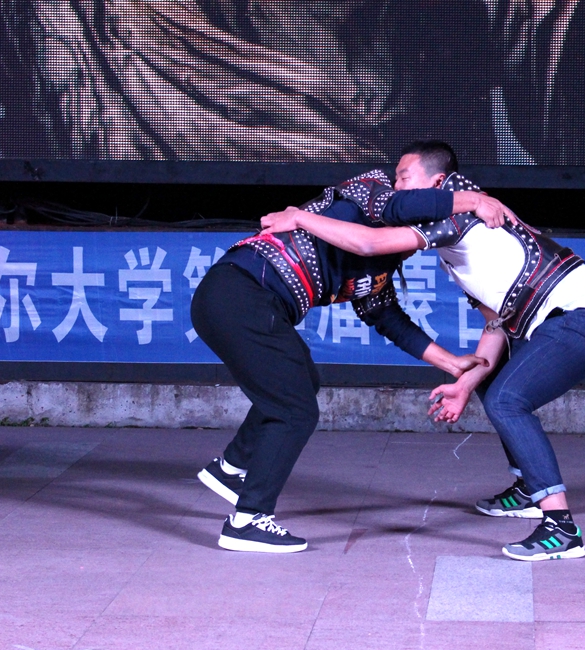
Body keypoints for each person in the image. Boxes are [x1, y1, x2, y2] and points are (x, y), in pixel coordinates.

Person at [259, 141, 585, 561]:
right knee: (490, 384)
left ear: (437, 183)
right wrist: (464, 385)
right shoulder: (454, 245)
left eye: (403, 178)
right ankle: (529, 487)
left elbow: (370, 244)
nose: (395, 188)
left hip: (582, 321)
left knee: (507, 400)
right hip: (552, 325)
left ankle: (562, 527)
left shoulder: (462, 213)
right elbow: (496, 323)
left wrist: (300, 217)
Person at [192, 168, 515, 553]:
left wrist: (450, 363)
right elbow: (401, 206)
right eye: (403, 178)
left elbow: (387, 318)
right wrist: (476, 201)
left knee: (300, 383)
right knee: (295, 412)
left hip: (239, 300)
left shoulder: (377, 267)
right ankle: (247, 521)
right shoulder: (371, 194)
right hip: (240, 293)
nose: (420, 240)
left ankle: (230, 469)